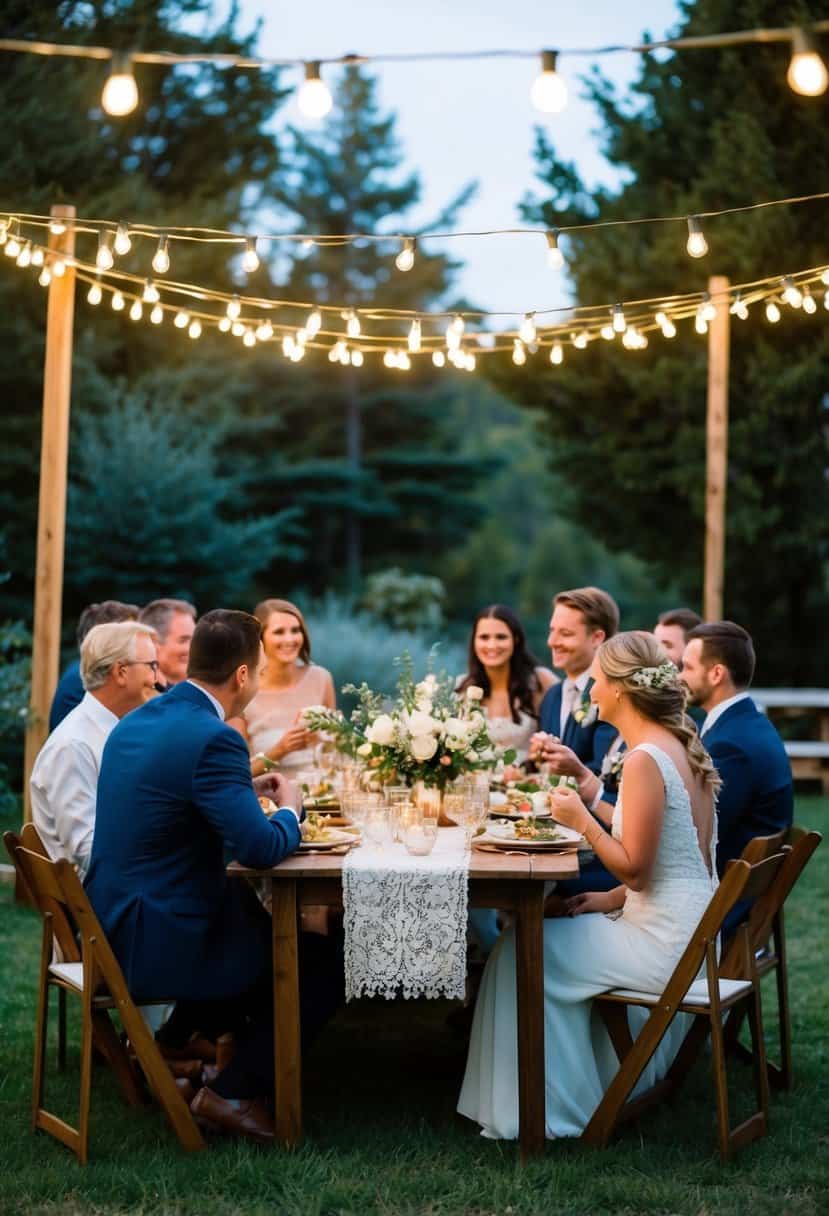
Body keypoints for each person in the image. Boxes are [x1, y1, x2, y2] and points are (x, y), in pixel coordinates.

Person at [86, 609, 342, 1145]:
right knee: (324, 961)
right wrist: (291, 807)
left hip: (112, 923)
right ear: (243, 675)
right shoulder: (215, 737)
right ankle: (233, 1091)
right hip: (160, 939)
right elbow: (261, 847)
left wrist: (241, 798)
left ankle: (186, 1047)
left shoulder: (139, 719)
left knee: (266, 924)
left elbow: (175, 811)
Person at [458, 631, 720, 1140]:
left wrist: (581, 819)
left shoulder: (646, 759)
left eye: (597, 679)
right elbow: (681, 859)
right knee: (536, 939)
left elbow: (637, 868)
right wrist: (608, 898)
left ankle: (542, 1112)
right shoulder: (675, 746)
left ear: (622, 689)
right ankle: (575, 1093)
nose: (591, 689)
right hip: (688, 929)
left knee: (519, 949)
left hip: (664, 943)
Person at [32, 622, 158, 877]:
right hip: (105, 898)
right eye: (151, 666)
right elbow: (87, 849)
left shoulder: (114, 731)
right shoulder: (74, 746)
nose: (157, 679)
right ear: (121, 671)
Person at [681, 621, 793, 878]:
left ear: (716, 674)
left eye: (687, 667)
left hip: (718, 893)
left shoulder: (731, 746)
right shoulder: (749, 723)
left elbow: (700, 834)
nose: (680, 676)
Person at [232, 599, 336, 778]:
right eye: (279, 632)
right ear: (260, 638)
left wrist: (322, 740)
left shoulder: (321, 678)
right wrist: (279, 750)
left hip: (325, 798)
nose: (290, 639)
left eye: (296, 630)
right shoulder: (242, 691)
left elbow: (338, 750)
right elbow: (238, 773)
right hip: (271, 800)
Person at [531, 586, 620, 775]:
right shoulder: (552, 695)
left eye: (565, 634)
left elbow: (606, 770)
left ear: (597, 638)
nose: (552, 641)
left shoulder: (614, 695)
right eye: (552, 630)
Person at [456, 604, 557, 765]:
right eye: (484, 637)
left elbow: (562, 737)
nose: (492, 645)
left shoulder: (541, 680)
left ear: (515, 639)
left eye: (501, 637)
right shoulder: (463, 687)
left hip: (530, 783)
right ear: (474, 641)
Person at [49, 600, 140, 730]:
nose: (140, 644)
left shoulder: (82, 672)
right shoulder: (82, 678)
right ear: (102, 640)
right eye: (130, 637)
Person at [138, 599, 196, 690]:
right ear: (152, 643)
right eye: (183, 640)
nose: (194, 648)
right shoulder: (136, 700)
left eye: (195, 640)